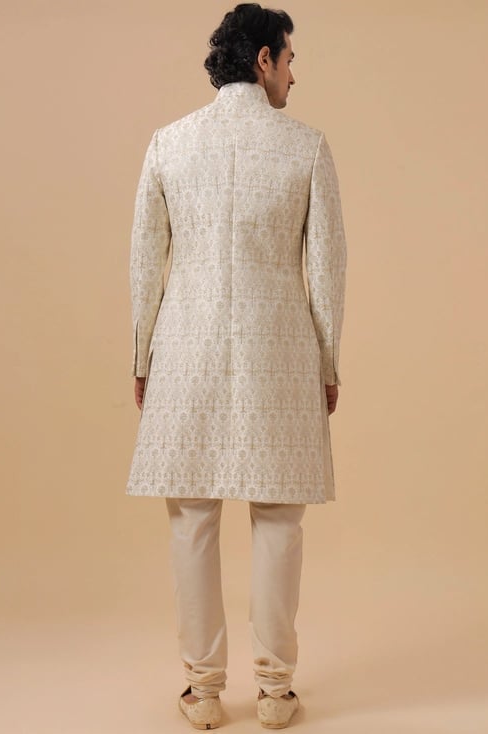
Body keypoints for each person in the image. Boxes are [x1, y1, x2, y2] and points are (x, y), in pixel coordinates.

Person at [126, 3, 347, 729]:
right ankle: (276, 692)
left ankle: (203, 690)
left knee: (192, 515)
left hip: (185, 347)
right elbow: (327, 270)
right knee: (279, 516)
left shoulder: (168, 143)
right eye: (289, 59)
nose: (293, 75)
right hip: (278, 349)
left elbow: (145, 263)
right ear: (263, 59)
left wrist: (141, 355)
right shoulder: (306, 147)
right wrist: (328, 360)